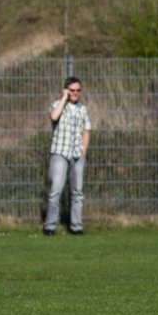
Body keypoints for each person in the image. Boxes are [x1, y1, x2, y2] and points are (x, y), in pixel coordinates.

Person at [43, 77, 90, 235]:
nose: (75, 93)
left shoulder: (83, 109)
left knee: (77, 191)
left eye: (78, 90)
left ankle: (76, 227)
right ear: (66, 90)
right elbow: (54, 117)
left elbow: (86, 131)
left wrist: (84, 152)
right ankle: (50, 226)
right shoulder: (57, 105)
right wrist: (64, 98)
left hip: (77, 155)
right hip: (60, 153)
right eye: (72, 90)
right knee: (55, 190)